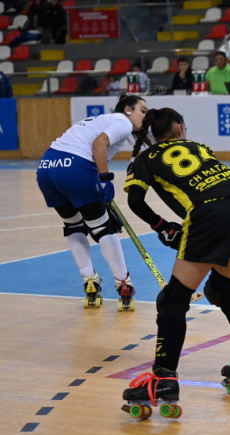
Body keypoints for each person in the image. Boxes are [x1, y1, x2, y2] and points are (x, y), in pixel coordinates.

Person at [121, 107, 230, 412]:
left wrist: (162, 227)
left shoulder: (143, 160)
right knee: (224, 288)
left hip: (212, 211)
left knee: (173, 298)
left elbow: (135, 201)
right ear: (179, 128)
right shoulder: (199, 147)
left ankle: (164, 378)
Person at [35, 94, 147, 310]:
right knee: (103, 227)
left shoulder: (99, 120)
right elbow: (99, 144)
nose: (145, 115)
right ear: (127, 109)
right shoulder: (122, 122)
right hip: (75, 167)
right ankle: (123, 283)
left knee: (74, 225)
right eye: (142, 110)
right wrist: (105, 179)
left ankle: (90, 281)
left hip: (47, 167)